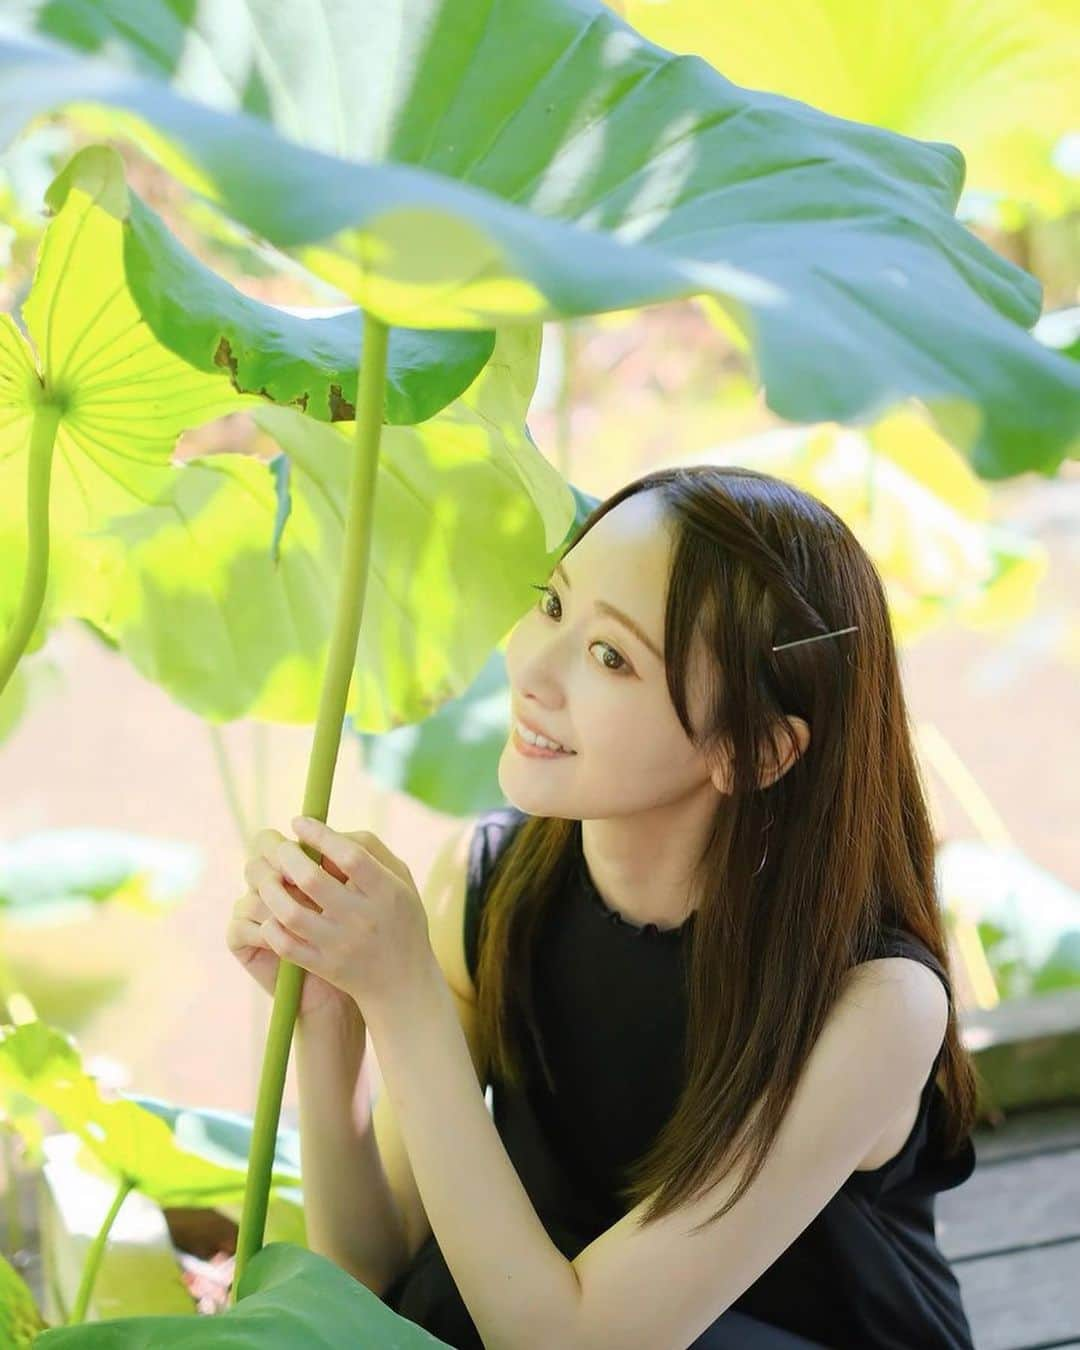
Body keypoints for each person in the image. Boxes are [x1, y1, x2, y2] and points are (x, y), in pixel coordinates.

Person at [229, 465, 979, 1348]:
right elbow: (371, 1270)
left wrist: (404, 999)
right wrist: (331, 1024)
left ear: (757, 749)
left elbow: (576, 1344)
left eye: (611, 656)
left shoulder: (875, 1003)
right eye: (551, 605)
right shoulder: (487, 881)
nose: (532, 669)